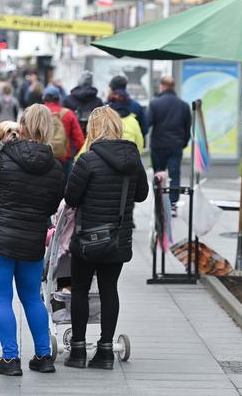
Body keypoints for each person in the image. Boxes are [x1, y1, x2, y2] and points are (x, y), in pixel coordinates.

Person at [0, 104, 64, 376]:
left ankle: (10, 360)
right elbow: (51, 206)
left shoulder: (1, 159)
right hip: (32, 240)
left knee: (1, 299)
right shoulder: (56, 167)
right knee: (32, 298)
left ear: (22, 125)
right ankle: (43, 357)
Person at [63, 106, 149, 370]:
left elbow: (71, 198)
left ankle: (78, 351)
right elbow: (142, 194)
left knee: (79, 289)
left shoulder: (87, 161)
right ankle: (106, 351)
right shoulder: (133, 161)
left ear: (94, 129)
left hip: (88, 239)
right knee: (109, 289)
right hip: (117, 240)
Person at [147, 76, 191, 209]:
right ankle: (172, 203)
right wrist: (183, 142)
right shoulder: (183, 105)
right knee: (174, 174)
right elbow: (187, 127)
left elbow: (148, 123)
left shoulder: (155, 103)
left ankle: (159, 201)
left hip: (158, 145)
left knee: (158, 174)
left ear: (162, 86)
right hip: (176, 145)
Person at [43, 85, 85, 179]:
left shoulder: (39, 113)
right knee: (65, 188)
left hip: (42, 156)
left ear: (44, 97)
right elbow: (79, 139)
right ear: (59, 98)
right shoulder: (68, 113)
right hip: (64, 158)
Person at [64, 70, 104, 136]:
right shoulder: (98, 101)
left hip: (71, 136)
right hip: (92, 137)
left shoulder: (67, 99)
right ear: (91, 83)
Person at [109, 75, 148, 139]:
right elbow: (144, 129)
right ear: (125, 86)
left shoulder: (107, 106)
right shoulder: (136, 106)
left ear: (111, 88)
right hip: (131, 145)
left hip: (110, 146)